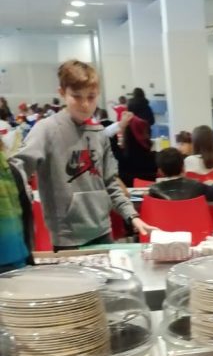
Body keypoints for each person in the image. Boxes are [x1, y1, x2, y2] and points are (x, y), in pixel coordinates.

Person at [10, 60, 149, 250]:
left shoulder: (99, 132)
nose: (85, 104)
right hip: (68, 238)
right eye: (76, 96)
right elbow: (17, 170)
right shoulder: (46, 130)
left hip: (103, 231)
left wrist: (132, 216)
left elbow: (111, 183)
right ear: (62, 93)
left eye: (91, 97)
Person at [0, 142, 33, 272]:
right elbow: (25, 218)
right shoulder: (10, 170)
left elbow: (24, 217)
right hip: (16, 260)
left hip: (14, 263)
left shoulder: (11, 171)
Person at [149, 148, 213, 202]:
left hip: (163, 221)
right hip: (195, 221)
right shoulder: (197, 186)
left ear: (160, 171)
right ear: (183, 167)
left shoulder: (154, 190)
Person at [116, 110, 157, 187]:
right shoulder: (155, 159)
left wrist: (121, 126)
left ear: (127, 135)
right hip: (149, 194)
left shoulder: (119, 159)